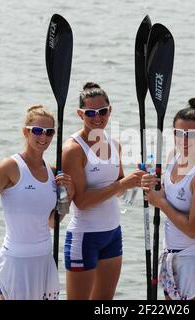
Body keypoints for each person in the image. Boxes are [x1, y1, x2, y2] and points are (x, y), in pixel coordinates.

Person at [0, 105, 74, 300]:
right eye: (38, 131)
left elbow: (53, 223)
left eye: (49, 132)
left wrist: (68, 194)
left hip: (44, 260)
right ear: (25, 132)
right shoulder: (10, 167)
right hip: (16, 261)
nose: (44, 137)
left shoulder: (52, 171)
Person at [62, 82, 145, 300]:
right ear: (80, 114)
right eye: (90, 112)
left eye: (102, 111)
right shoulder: (73, 149)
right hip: (85, 237)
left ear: (110, 110)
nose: (97, 117)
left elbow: (120, 189)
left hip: (112, 234)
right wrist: (123, 184)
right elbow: (81, 201)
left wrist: (138, 182)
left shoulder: (115, 144)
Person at [141, 98, 195, 300]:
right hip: (171, 256)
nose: (184, 141)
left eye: (191, 135)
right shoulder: (172, 158)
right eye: (179, 134)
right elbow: (161, 193)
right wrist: (149, 183)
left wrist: (159, 202)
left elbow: (193, 229)